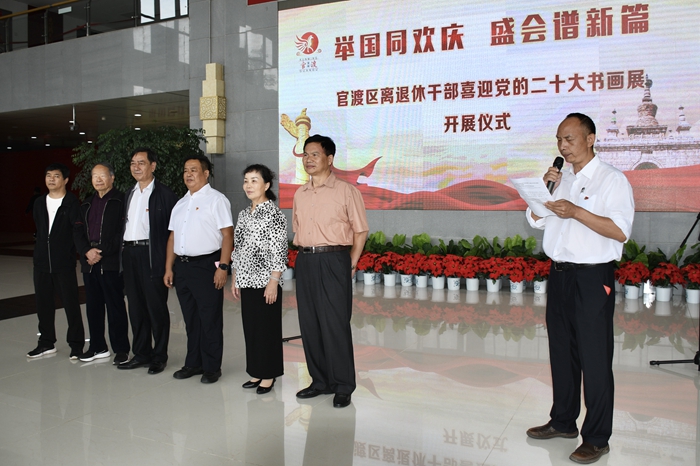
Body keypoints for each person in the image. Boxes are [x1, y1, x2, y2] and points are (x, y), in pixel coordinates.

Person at [525, 113, 635, 464]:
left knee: (594, 357)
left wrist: (576, 212)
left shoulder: (611, 180)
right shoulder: (562, 179)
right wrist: (542, 192)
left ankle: (597, 438)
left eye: (569, 139)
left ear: (590, 139)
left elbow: (620, 231)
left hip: (592, 277)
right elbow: (537, 221)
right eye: (559, 139)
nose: (563, 146)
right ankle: (563, 421)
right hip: (559, 274)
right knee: (562, 351)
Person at [292, 134, 369, 408]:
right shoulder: (300, 194)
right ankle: (320, 381)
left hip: (334, 260)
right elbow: (298, 228)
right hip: (306, 260)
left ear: (330, 159)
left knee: (335, 324)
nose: (308, 159)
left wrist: (351, 262)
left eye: (315, 154)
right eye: (305, 154)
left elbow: (360, 230)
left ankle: (343, 385)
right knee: (309, 324)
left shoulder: (346, 191)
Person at [164, 155, 233, 384]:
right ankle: (193, 363)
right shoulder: (180, 203)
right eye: (186, 170)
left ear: (205, 173)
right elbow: (172, 237)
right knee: (190, 319)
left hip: (206, 266)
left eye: (193, 170)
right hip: (183, 267)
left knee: (209, 318)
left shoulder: (216, 200)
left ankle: (212, 367)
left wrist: (223, 267)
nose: (188, 174)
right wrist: (169, 268)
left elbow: (227, 235)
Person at [118, 148, 178, 375]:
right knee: (135, 307)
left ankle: (159, 356)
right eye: (133, 163)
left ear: (153, 166)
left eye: (141, 163)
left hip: (152, 255)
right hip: (130, 254)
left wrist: (168, 265)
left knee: (156, 308)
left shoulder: (165, 194)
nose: (136, 167)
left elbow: (173, 233)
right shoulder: (129, 193)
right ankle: (141, 353)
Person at [231, 164, 288, 395]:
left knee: (267, 329)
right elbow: (238, 248)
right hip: (246, 280)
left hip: (266, 282)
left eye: (254, 180)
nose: (249, 185)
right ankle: (256, 370)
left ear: (266, 185)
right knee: (252, 328)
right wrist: (235, 276)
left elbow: (279, 250)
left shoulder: (274, 215)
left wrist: (274, 281)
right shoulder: (244, 214)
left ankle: (269, 374)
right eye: (246, 181)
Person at [27, 164, 87, 359]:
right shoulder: (39, 203)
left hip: (63, 263)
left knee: (71, 304)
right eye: (48, 175)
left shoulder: (72, 203)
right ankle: (46, 343)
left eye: (56, 176)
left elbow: (77, 231)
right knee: (43, 304)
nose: (51, 179)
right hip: (41, 262)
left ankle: (76, 345)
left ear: (66, 180)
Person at [78, 162, 131, 365]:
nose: (98, 180)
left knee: (115, 306)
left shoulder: (121, 200)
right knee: (93, 307)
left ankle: (121, 349)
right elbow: (78, 232)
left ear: (112, 178)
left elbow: (122, 231)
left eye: (102, 176)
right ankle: (97, 346)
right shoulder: (86, 203)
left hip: (110, 262)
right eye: (95, 176)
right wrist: (87, 251)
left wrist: (101, 250)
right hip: (89, 262)